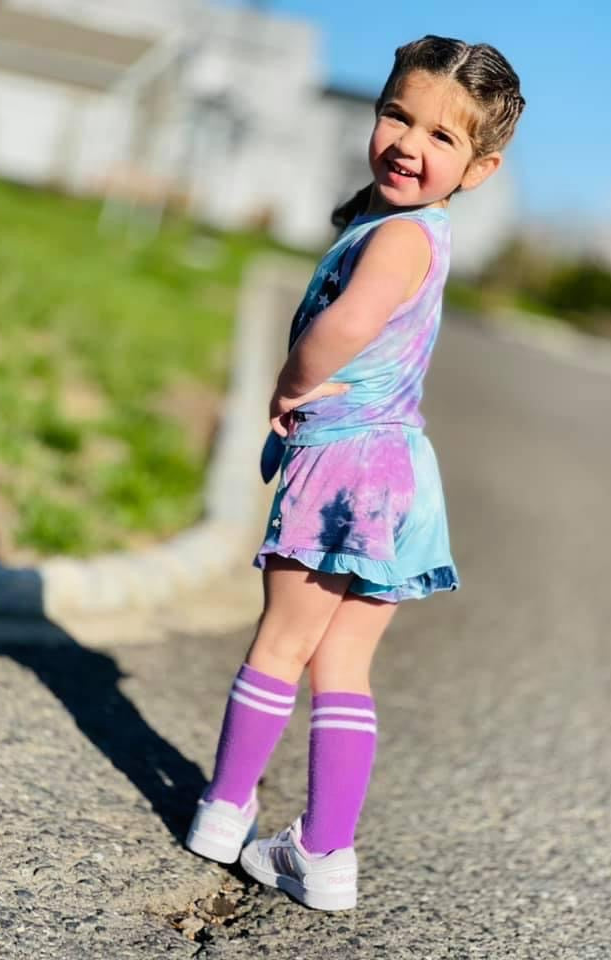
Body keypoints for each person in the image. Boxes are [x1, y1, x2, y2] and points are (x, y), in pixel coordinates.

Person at [186, 35, 525, 911]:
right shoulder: (400, 226)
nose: (410, 143)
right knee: (341, 663)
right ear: (376, 113)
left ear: (479, 169)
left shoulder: (404, 237)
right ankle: (325, 853)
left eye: (443, 138)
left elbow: (347, 327)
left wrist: (291, 380)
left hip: (343, 457)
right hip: (402, 474)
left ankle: (224, 810)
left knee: (280, 646)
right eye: (398, 115)